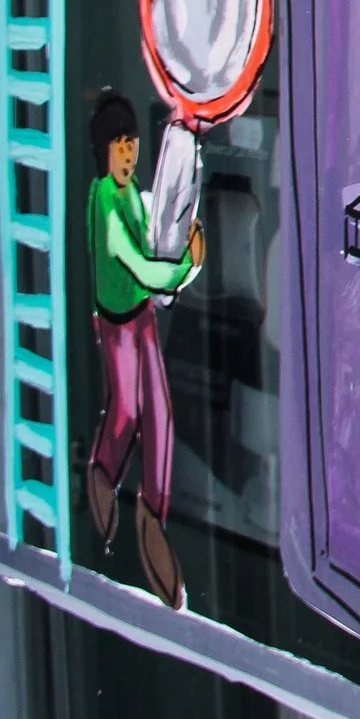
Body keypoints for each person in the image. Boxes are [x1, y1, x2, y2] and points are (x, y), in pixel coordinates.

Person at [85, 90, 204, 609]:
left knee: (160, 416)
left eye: (132, 144)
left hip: (142, 318)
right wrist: (184, 268)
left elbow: (155, 239)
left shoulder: (130, 192)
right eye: (120, 146)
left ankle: (152, 512)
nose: (129, 154)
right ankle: (102, 473)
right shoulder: (106, 206)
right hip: (116, 325)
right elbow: (140, 267)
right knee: (128, 412)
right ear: (103, 150)